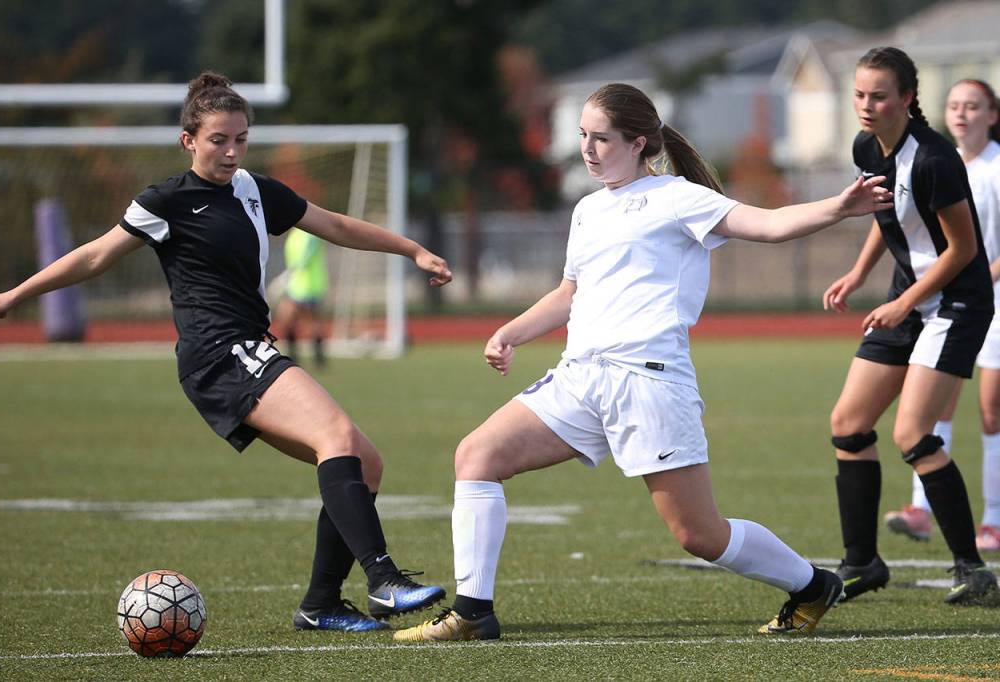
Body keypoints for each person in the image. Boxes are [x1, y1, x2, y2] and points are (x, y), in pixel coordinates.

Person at [393, 82, 895, 642]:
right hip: (580, 379)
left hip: (648, 385)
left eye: (602, 138)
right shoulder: (587, 209)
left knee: (699, 535)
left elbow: (771, 226)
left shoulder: (677, 197)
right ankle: (473, 613)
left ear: (638, 143)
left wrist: (840, 207)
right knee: (476, 456)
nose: (587, 148)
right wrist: (511, 332)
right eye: (583, 135)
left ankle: (812, 584)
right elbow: (569, 294)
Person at [0, 72, 453, 633]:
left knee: (364, 463)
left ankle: (320, 605)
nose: (231, 152)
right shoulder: (165, 201)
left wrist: (412, 250)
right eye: (218, 140)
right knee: (338, 438)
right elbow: (94, 256)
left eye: (240, 139)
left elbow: (334, 224)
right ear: (188, 141)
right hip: (220, 353)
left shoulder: (256, 190)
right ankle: (383, 579)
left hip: (248, 348)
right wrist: (16, 295)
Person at [822, 48, 999, 607]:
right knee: (849, 424)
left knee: (912, 434)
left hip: (957, 303)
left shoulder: (934, 158)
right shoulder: (866, 147)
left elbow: (963, 249)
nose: (866, 105)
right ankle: (862, 563)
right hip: (910, 297)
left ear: (906, 98)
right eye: (859, 94)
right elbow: (889, 214)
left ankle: (973, 569)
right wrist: (858, 274)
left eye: (879, 96)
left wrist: (904, 303)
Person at [883, 79, 1000, 553]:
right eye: (954, 105)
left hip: (989, 300)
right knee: (936, 407)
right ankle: (921, 510)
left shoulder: (996, 167)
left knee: (992, 411)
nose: (961, 113)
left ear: (992, 114)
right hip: (951, 301)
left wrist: (978, 278)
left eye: (973, 105)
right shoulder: (939, 161)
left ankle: (993, 519)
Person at [274, 227, 330, 366]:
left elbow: (304, 258)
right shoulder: (294, 234)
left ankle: (317, 358)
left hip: (308, 286)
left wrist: (284, 277)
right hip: (296, 285)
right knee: (289, 320)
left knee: (308, 322)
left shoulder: (309, 232)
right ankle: (301, 357)